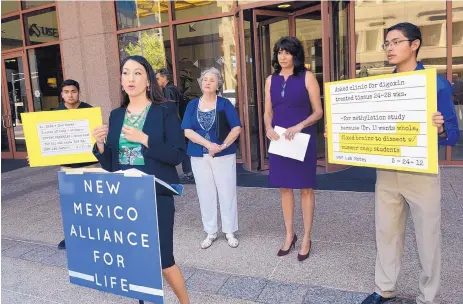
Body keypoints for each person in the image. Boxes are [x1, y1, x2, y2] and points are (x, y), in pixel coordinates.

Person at [354, 23, 459, 304]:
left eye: (396, 42)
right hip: (387, 169)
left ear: (414, 45)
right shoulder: (381, 86)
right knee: (386, 231)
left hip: (421, 170)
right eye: (386, 43)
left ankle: (428, 296)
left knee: (428, 237)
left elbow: (453, 133)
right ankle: (384, 288)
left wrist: (440, 129)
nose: (389, 48)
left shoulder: (435, 83)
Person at [91, 55, 189, 304]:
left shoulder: (165, 110)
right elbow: (113, 164)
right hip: (126, 196)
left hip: (156, 194)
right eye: (126, 73)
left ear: (148, 80)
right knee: (136, 258)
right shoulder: (116, 115)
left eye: (137, 72)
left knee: (164, 260)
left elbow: (177, 154)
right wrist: (101, 144)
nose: (130, 78)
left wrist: (145, 139)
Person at [264, 37, 323, 262]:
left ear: (295, 55)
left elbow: (318, 111)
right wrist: (268, 127)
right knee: (284, 188)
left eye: (287, 52)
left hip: (302, 138)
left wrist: (299, 126)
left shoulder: (307, 77)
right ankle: (290, 234)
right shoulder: (271, 79)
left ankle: (307, 237)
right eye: (279, 52)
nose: (283, 56)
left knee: (306, 189)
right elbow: (267, 111)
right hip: (279, 139)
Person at [181, 67, 241, 249]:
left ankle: (229, 231)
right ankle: (210, 231)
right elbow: (187, 130)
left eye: (212, 80)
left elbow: (236, 128)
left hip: (223, 155)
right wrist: (208, 145)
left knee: (227, 192)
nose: (207, 82)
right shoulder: (192, 105)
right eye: (205, 79)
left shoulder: (224, 104)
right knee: (205, 193)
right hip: (199, 155)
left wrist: (222, 146)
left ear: (218, 85)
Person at [56, 79, 99, 250]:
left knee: (92, 201)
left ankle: (95, 234)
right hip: (67, 165)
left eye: (73, 91)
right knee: (70, 201)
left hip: (89, 163)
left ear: (78, 92)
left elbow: (98, 137)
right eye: (66, 92)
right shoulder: (55, 113)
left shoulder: (89, 111)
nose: (70, 95)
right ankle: (71, 235)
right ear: (62, 94)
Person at [156, 68, 194, 183]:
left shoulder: (169, 91)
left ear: (165, 78)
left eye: (158, 78)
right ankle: (189, 172)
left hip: (177, 123)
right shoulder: (174, 89)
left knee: (178, 148)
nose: (156, 81)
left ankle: (188, 173)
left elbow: (170, 109)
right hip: (181, 122)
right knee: (184, 147)